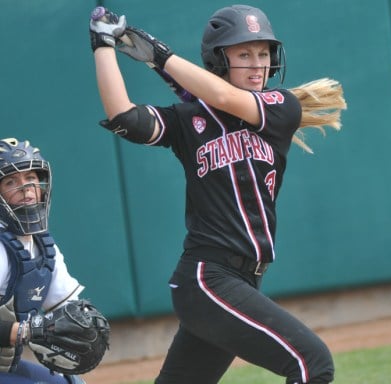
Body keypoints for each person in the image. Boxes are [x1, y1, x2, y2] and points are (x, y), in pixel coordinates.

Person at [90, 4, 346, 384]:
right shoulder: (189, 121)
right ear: (218, 60)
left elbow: (226, 101)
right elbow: (123, 116)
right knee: (312, 364)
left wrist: (161, 59)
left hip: (243, 282)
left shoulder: (280, 107)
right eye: (244, 54)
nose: (258, 63)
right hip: (208, 278)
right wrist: (103, 45)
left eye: (263, 53)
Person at [0, 138, 87, 384]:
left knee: (71, 382)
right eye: (10, 181)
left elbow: (66, 308)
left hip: (4, 367)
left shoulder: (42, 246)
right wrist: (25, 332)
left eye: (30, 179)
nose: (25, 188)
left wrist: (81, 326)